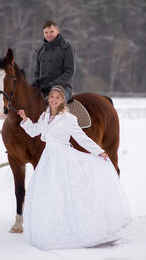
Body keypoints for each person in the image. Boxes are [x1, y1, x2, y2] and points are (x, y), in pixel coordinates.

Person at [17, 86, 131, 250]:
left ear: (62, 100)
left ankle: (79, 227)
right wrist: (25, 120)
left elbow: (81, 138)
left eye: (57, 98)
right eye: (52, 97)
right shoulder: (44, 116)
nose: (54, 100)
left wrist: (99, 152)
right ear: (48, 99)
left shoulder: (68, 118)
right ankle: (52, 227)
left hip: (62, 157)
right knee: (49, 192)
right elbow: (34, 132)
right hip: (48, 159)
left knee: (69, 192)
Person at [31, 20, 75, 103]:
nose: (48, 35)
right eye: (46, 32)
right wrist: (35, 83)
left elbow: (69, 72)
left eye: (51, 31)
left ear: (57, 31)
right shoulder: (40, 51)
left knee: (53, 104)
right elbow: (36, 72)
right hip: (42, 89)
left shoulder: (67, 49)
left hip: (62, 88)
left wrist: (52, 85)